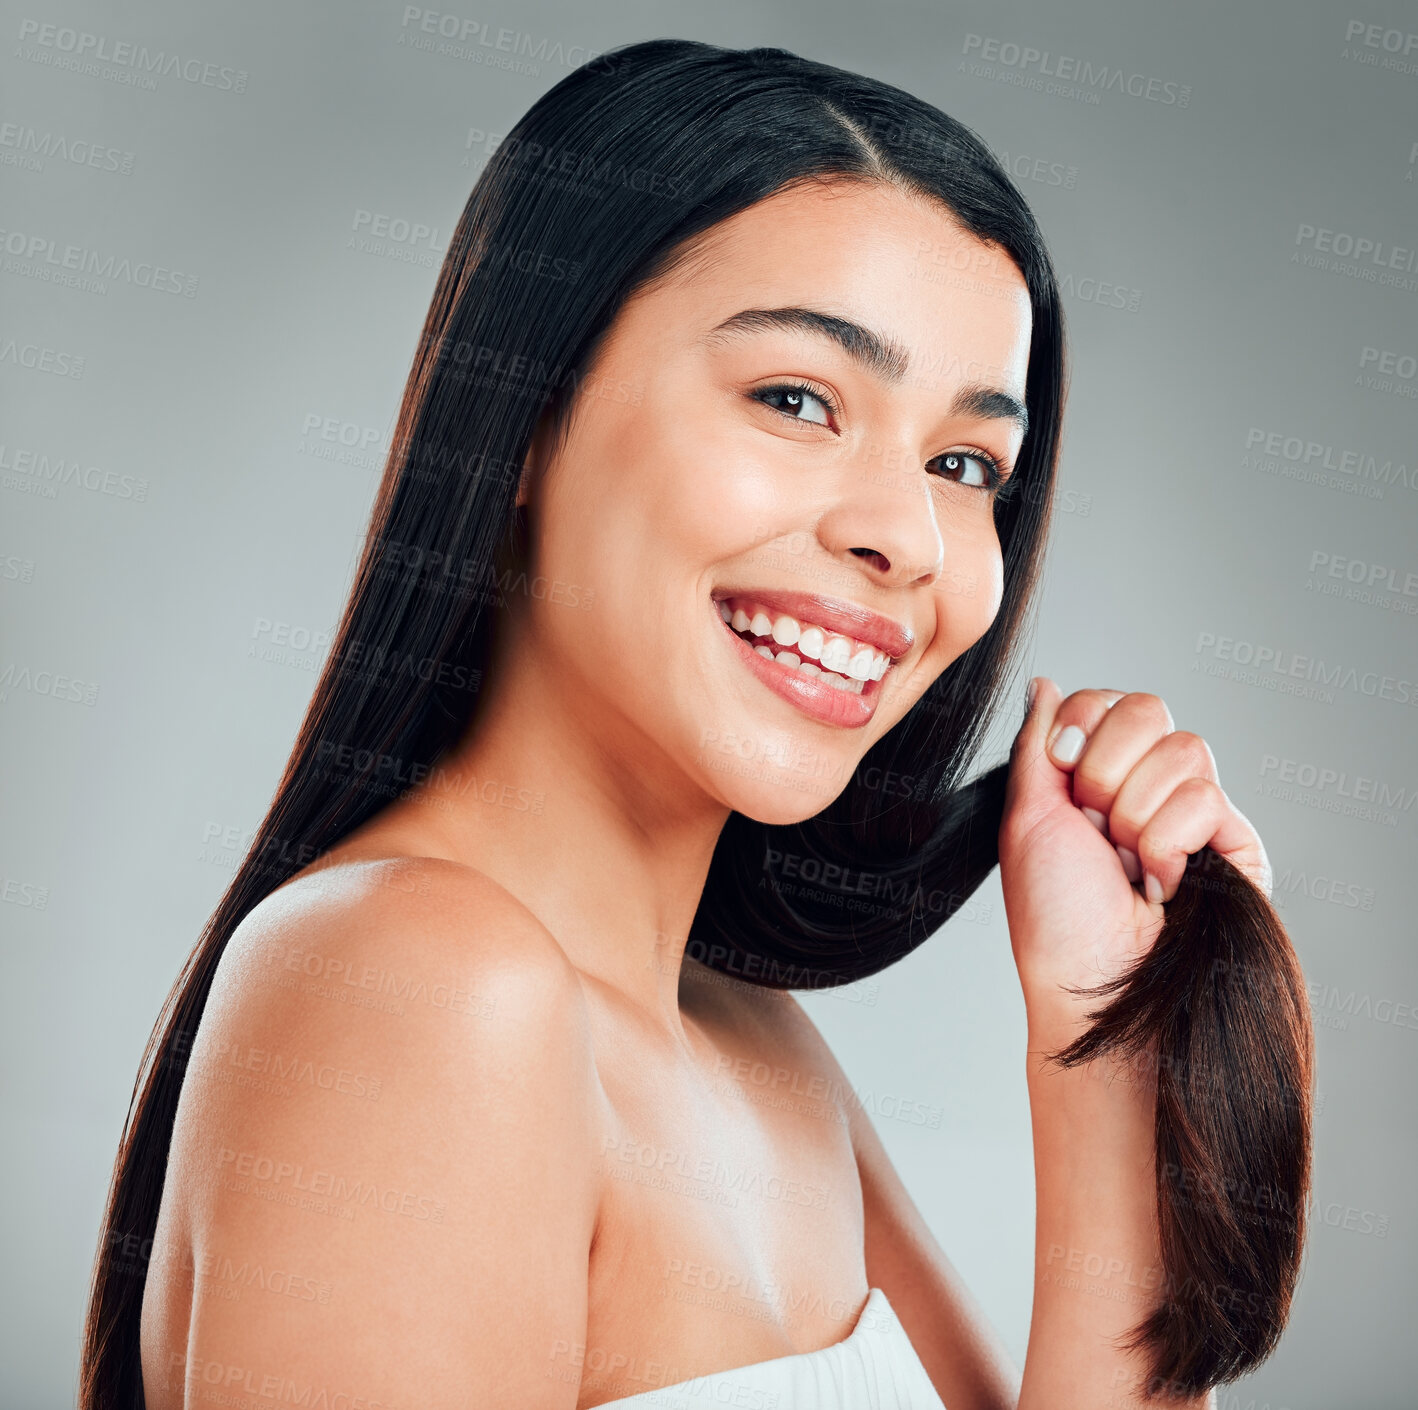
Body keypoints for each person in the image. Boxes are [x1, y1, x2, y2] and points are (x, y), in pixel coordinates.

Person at [83, 39, 1305, 1410]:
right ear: (531, 412)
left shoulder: (757, 1048)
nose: (904, 536)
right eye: (796, 398)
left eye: (964, 464)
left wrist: (1109, 1044)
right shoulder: (428, 986)